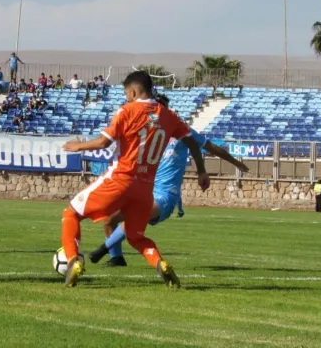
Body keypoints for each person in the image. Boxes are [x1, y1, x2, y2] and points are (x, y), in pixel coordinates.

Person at [60, 71, 210, 288]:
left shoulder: (127, 111)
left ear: (133, 91)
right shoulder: (168, 116)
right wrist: (202, 171)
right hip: (145, 188)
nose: (126, 97)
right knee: (135, 236)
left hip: (120, 179)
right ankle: (161, 264)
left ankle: (73, 260)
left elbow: (103, 143)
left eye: (126, 93)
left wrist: (78, 146)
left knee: (71, 214)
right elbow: (193, 143)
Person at [90, 94, 250, 266]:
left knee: (133, 217)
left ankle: (102, 250)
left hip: (164, 195)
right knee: (109, 219)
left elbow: (208, 147)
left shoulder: (181, 132)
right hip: (143, 191)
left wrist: (231, 164)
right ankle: (116, 258)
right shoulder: (145, 133)